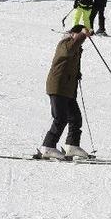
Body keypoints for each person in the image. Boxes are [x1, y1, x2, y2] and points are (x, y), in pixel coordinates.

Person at [38, 24, 93, 160]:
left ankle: (72, 145)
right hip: (58, 86)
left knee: (75, 118)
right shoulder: (64, 43)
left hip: (68, 88)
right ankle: (48, 147)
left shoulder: (75, 46)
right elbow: (68, 51)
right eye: (79, 35)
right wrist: (82, 35)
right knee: (60, 118)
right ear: (73, 34)